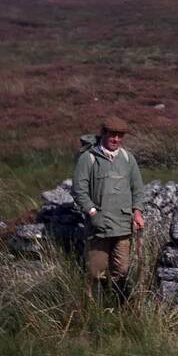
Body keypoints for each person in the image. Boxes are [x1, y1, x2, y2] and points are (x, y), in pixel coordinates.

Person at [71, 116, 145, 300]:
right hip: (98, 227)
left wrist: (137, 212)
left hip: (122, 226)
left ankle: (118, 306)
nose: (116, 140)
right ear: (103, 134)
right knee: (96, 270)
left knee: (121, 269)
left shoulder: (128, 159)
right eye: (113, 135)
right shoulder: (88, 158)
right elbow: (79, 190)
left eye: (120, 136)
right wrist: (92, 212)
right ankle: (95, 308)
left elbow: (137, 188)